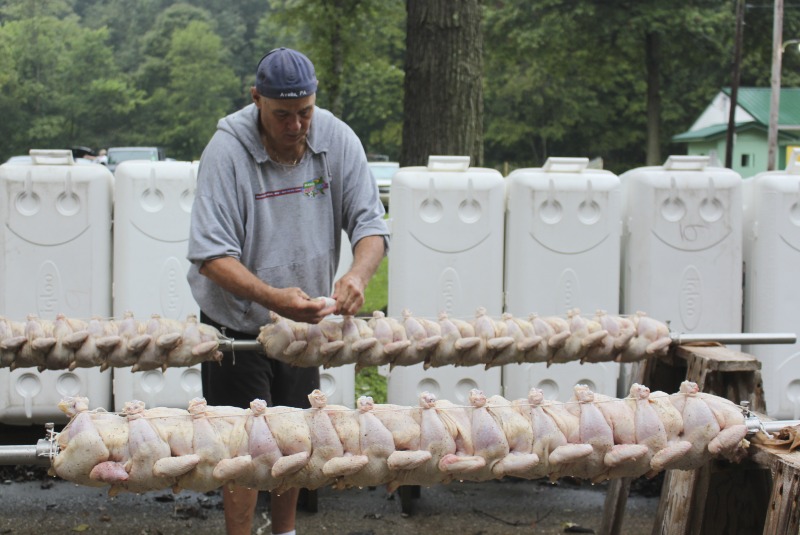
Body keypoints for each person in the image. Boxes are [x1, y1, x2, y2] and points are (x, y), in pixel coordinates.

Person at [186, 47, 389, 535]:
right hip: (236, 324)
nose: (296, 125)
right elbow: (212, 256)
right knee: (243, 445)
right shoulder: (227, 151)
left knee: (294, 437)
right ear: (256, 100)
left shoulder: (336, 139)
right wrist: (273, 298)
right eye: (282, 115)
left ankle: (285, 531)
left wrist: (358, 275)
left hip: (302, 323)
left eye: (305, 113)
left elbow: (371, 226)